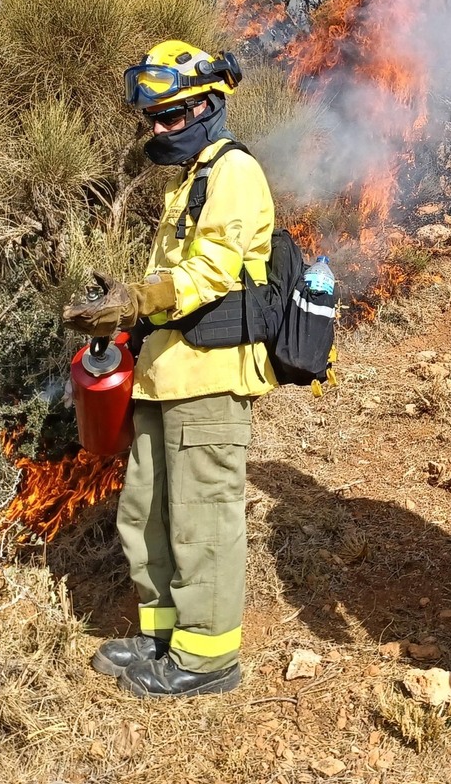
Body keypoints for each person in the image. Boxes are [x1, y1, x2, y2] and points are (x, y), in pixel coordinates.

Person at [61, 40, 275, 699]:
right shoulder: (190, 181)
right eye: (152, 118)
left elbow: (208, 273)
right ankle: (164, 639)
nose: (159, 129)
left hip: (209, 378)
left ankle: (207, 661)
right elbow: (169, 280)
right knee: (145, 510)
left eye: (172, 116)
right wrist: (125, 311)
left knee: (202, 518)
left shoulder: (233, 172)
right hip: (166, 373)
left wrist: (137, 299)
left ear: (210, 107)